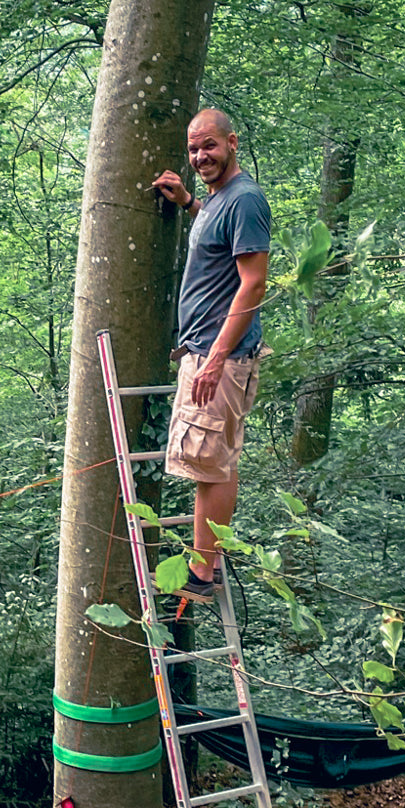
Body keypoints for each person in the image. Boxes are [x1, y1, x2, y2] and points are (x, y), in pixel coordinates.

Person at [152, 108, 271, 600]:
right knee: (212, 460)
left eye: (210, 146)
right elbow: (221, 237)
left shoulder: (245, 200)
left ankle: (202, 572)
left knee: (210, 465)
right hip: (205, 351)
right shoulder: (221, 200)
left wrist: (217, 357)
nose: (201, 156)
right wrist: (188, 202)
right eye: (194, 149)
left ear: (232, 143)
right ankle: (206, 564)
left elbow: (254, 283)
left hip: (219, 355)